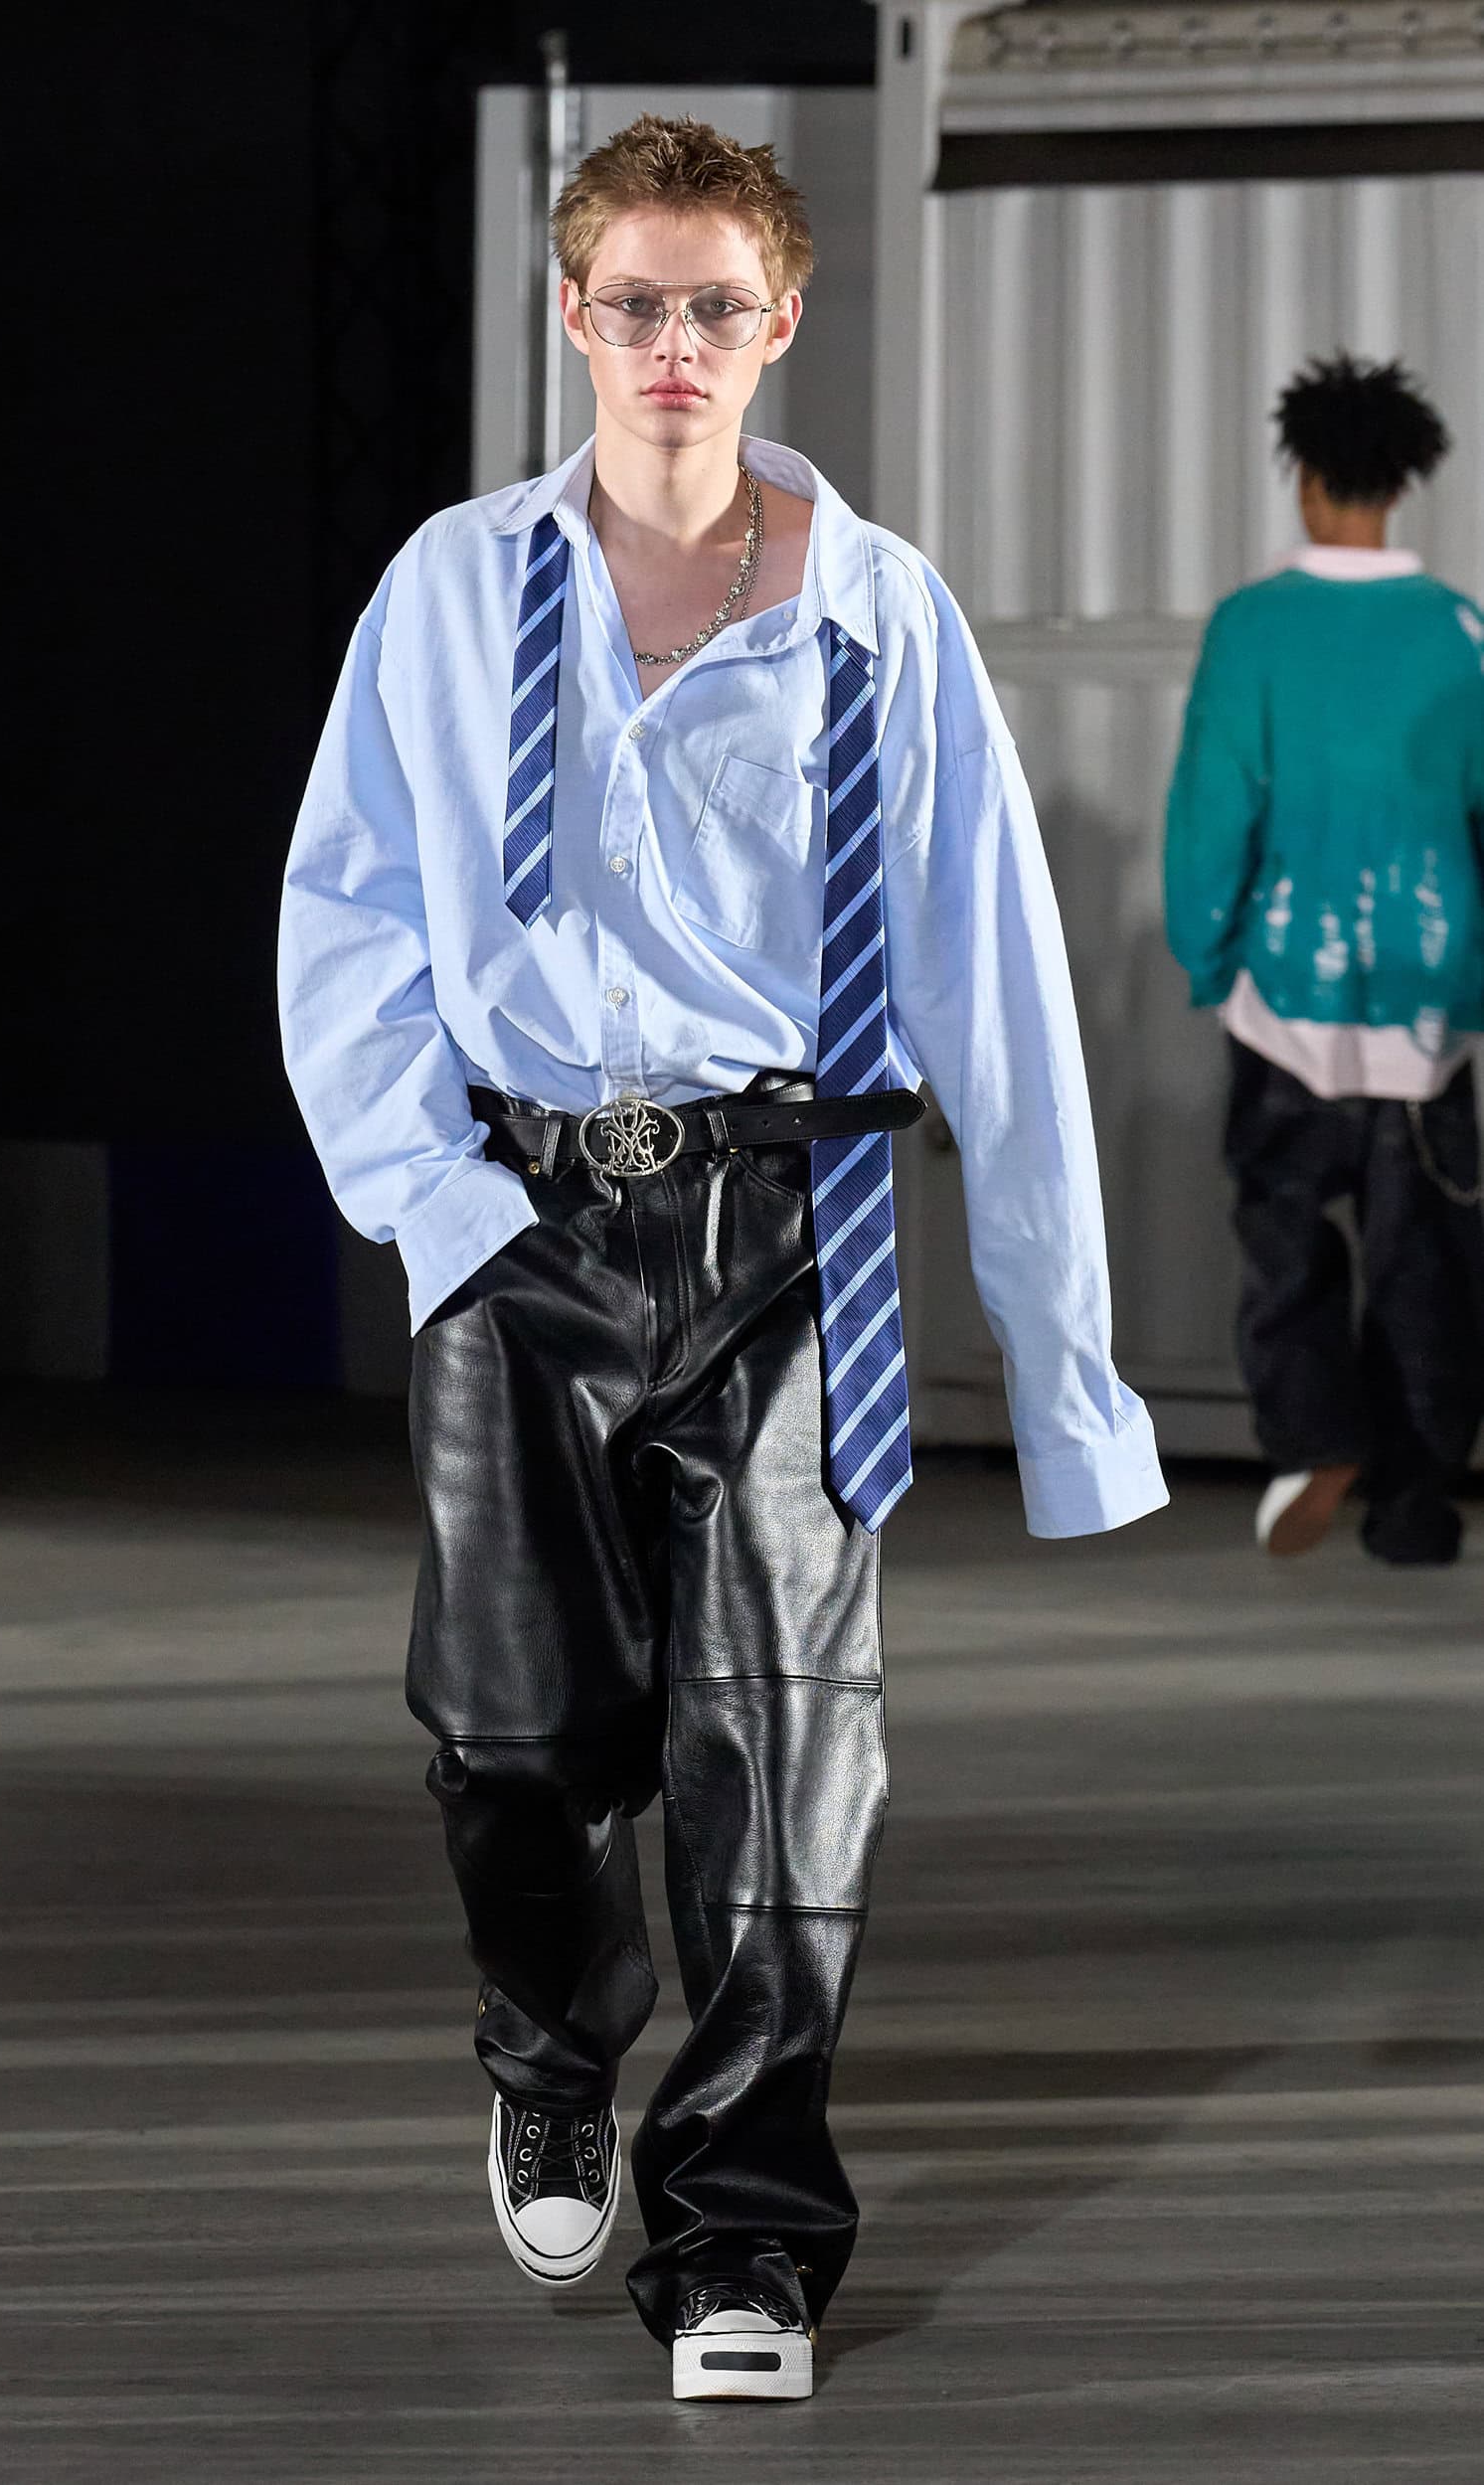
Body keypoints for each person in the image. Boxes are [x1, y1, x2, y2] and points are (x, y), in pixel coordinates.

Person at [278, 113, 1165, 2403]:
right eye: (632, 303)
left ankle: (745, 2231)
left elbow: (991, 982)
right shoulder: (450, 592)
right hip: (517, 1218)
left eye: (714, 305)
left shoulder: (879, 613)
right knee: (506, 1734)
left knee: (780, 1754)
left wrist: (1063, 1379)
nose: (671, 342)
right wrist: (443, 1212)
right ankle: (552, 2034)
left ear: (779, 319)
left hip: (794, 1231)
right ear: (571, 315)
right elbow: (347, 922)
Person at [1166, 352, 1484, 1566]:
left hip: (1284, 997)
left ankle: (1310, 1441)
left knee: (1286, 1242)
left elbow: (1212, 817)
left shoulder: (1251, 627)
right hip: (1427, 1004)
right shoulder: (1459, 632)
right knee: (1426, 1263)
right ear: (1400, 485)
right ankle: (1415, 1500)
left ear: (1302, 478)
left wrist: (1209, 956)